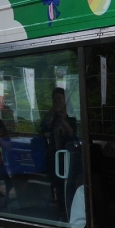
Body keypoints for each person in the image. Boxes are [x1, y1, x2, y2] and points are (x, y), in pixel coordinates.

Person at [39, 87, 77, 217]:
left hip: (67, 156)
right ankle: (58, 207)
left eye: (60, 99)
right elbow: (42, 131)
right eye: (55, 100)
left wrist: (63, 119)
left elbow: (74, 135)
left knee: (67, 185)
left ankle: (67, 209)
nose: (57, 102)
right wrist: (50, 119)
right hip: (53, 156)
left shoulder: (71, 116)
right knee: (55, 183)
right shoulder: (50, 116)